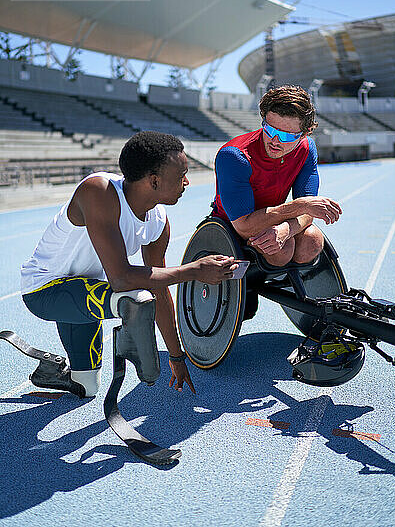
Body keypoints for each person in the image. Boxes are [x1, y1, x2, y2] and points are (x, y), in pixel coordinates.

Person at [21, 132, 238, 397]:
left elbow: (159, 286)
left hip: (86, 298)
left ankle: (51, 370)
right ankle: (130, 329)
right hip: (44, 291)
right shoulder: (98, 191)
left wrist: (176, 355)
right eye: (182, 174)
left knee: (87, 388)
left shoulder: (158, 222)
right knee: (135, 299)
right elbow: (122, 279)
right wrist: (194, 271)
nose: (187, 182)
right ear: (154, 180)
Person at [212, 85, 342, 264]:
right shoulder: (234, 156)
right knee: (282, 250)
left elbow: (308, 211)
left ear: (304, 134)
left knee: (312, 241)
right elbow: (244, 226)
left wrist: (287, 229)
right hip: (234, 226)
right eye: (270, 130)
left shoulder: (307, 149)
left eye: (287, 136)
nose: (275, 141)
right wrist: (301, 205)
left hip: (275, 219)